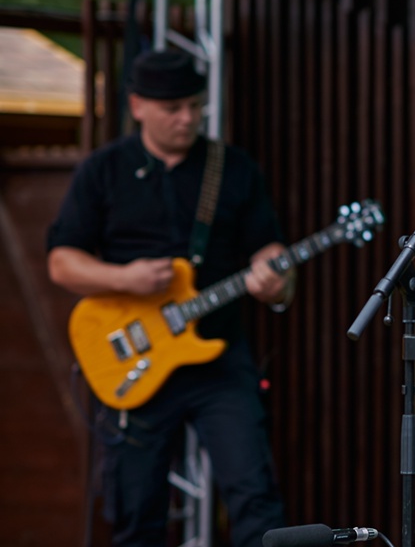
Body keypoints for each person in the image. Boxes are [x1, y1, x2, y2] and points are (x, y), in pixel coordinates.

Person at [47, 50, 290, 547]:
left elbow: (267, 246)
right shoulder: (103, 170)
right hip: (136, 360)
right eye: (173, 108)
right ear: (138, 105)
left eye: (196, 106)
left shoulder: (232, 167)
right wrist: (123, 278)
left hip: (219, 357)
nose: (188, 118)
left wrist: (276, 278)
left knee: (255, 495)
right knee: (136, 508)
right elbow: (61, 262)